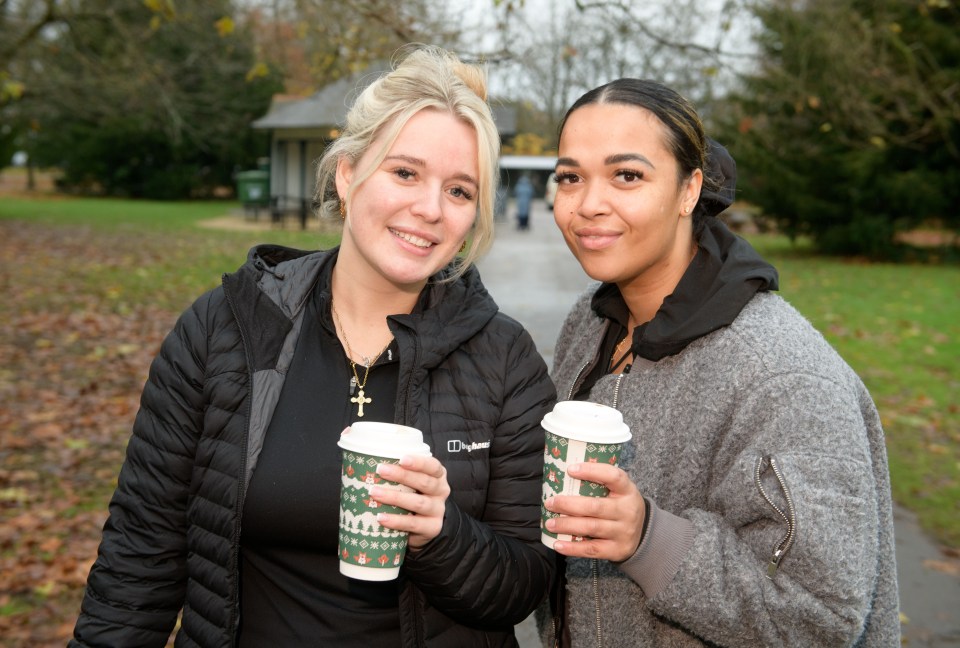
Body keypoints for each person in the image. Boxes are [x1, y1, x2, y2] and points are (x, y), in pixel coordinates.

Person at [70, 45, 556, 647]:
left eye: (459, 191)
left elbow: (527, 584)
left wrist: (441, 532)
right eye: (404, 173)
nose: (429, 209)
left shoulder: (505, 360)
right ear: (348, 174)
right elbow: (139, 557)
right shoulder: (225, 330)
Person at [540, 78, 900, 646]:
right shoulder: (589, 323)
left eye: (627, 175)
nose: (588, 204)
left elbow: (823, 619)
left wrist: (648, 540)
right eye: (570, 177)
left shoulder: (782, 376)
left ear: (690, 191)